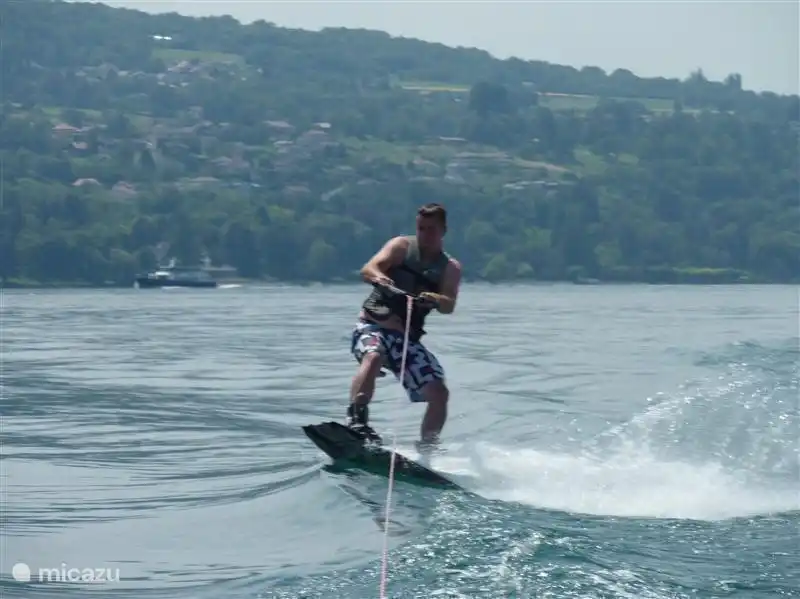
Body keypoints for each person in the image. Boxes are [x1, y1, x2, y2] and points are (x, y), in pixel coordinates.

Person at [347, 202, 462, 453]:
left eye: (431, 229)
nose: (425, 235)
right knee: (373, 356)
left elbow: (449, 305)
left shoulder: (450, 268)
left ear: (444, 231)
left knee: (439, 393)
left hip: (406, 340)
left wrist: (435, 298)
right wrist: (379, 277)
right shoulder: (401, 247)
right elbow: (369, 268)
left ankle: (427, 449)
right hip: (372, 326)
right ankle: (357, 421)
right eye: (421, 228)